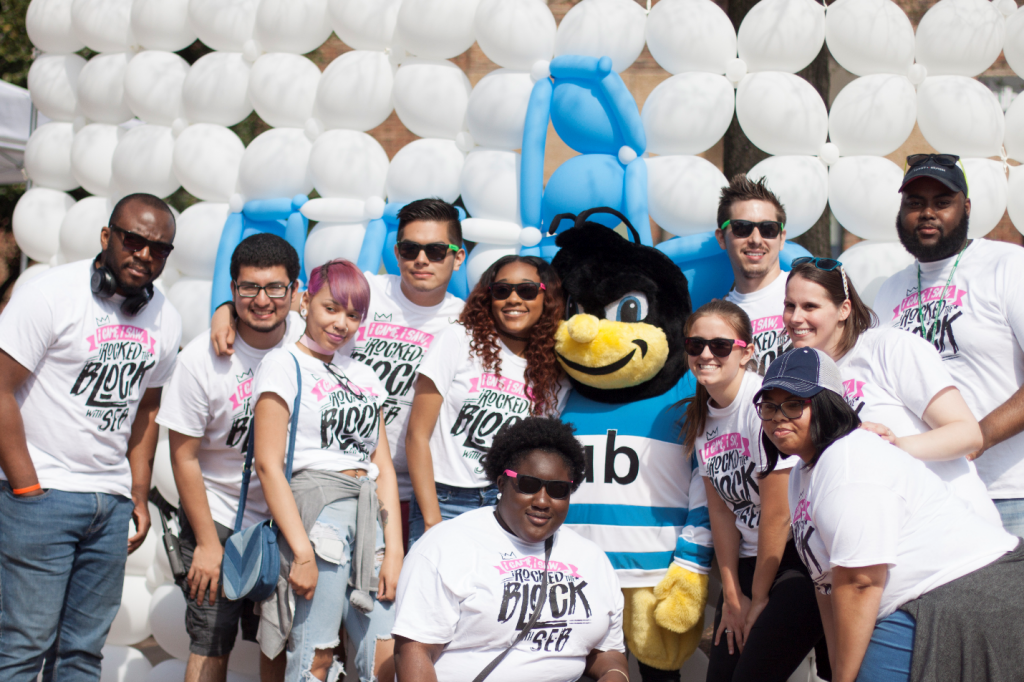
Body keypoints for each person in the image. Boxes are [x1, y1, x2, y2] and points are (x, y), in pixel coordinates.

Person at [756, 347, 1024, 682]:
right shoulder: (802, 474)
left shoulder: (847, 459)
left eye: (794, 404)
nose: (778, 416)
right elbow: (826, 586)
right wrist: (840, 670)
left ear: (827, 404)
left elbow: (860, 582)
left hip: (971, 596)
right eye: (769, 406)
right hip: (923, 602)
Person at [0, 193, 181, 681]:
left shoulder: (164, 315)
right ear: (107, 237)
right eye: (134, 240)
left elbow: (147, 407)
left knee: (82, 652)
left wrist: (137, 493)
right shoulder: (50, 294)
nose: (145, 254)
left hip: (109, 502)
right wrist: (26, 488)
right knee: (23, 647)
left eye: (159, 248)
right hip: (43, 495)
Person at [211, 198, 466, 545]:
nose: (421, 259)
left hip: (415, 491)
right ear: (397, 251)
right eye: (410, 249)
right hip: (330, 481)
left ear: (458, 257)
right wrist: (226, 311)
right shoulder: (366, 292)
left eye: (436, 250)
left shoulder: (466, 322)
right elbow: (299, 299)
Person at [157, 234, 304, 682]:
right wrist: (205, 542)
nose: (262, 301)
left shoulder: (311, 340)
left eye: (275, 288)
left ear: (295, 291)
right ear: (233, 288)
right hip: (220, 519)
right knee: (210, 642)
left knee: (285, 642)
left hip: (292, 521)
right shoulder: (200, 359)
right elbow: (182, 457)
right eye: (248, 289)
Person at [251, 259, 402, 682]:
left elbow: (382, 465)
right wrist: (300, 552)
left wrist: (395, 550)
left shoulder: (365, 374)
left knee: (384, 658)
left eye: (353, 314)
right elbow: (268, 463)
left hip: (370, 517)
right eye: (331, 308)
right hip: (318, 519)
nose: (341, 323)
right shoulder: (283, 364)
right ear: (305, 301)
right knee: (315, 656)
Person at [393, 417, 629, 682]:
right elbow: (414, 651)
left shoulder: (591, 558)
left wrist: (614, 673)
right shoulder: (447, 546)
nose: (542, 501)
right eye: (528, 485)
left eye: (558, 490)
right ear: (502, 484)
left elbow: (607, 651)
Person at [784, 256, 999, 525]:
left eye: (810, 306)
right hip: (886, 546)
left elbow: (968, 434)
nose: (795, 317)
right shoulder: (803, 378)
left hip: (957, 534)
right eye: (789, 305)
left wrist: (897, 445)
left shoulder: (889, 347)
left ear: (844, 309)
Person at [874, 154, 1024, 535]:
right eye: (915, 203)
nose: (927, 213)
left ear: (966, 207)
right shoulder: (889, 291)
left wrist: (974, 440)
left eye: (942, 202)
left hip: (1008, 495)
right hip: (926, 498)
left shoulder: (1008, 266)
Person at [680, 300, 828, 682]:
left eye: (720, 346)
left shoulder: (763, 405)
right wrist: (732, 595)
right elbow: (722, 513)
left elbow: (779, 515)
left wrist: (758, 598)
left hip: (797, 559)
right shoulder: (703, 420)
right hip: (749, 564)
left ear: (746, 352)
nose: (706, 354)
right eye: (695, 346)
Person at [405, 255, 568, 544]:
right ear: (489, 297)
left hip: (510, 504)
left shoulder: (556, 370)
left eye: (527, 290)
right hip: (444, 499)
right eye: (502, 290)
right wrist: (432, 520)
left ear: (547, 297)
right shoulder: (458, 340)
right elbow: (417, 434)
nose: (513, 299)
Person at [717, 175, 792, 372]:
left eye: (769, 229)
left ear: (781, 238)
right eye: (742, 228)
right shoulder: (716, 318)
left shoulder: (812, 297)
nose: (756, 239)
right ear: (721, 238)